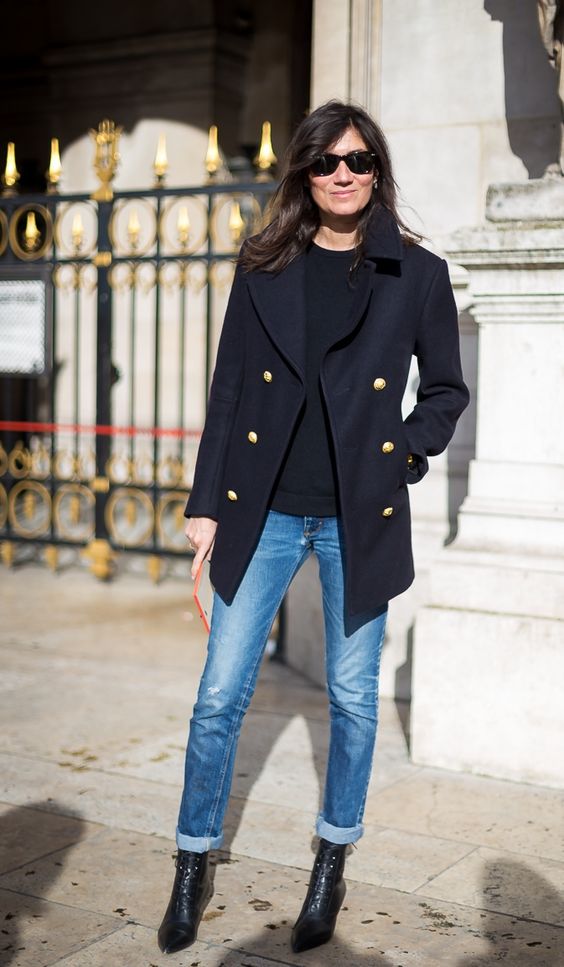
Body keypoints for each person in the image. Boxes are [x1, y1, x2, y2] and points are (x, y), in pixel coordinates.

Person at [158, 99, 469, 956]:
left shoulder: (417, 273)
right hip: (261, 510)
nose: (343, 174)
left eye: (359, 160)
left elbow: (446, 390)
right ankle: (191, 860)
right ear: (304, 171)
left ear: (377, 171)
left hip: (356, 517)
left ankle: (332, 860)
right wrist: (205, 503)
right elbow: (228, 392)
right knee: (219, 694)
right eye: (327, 161)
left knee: (353, 697)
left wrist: (402, 452)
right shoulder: (263, 266)